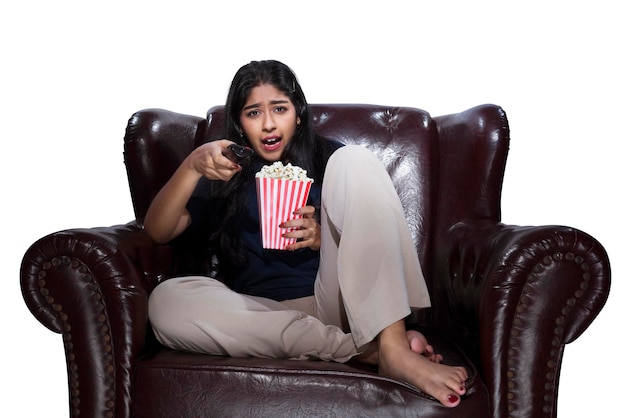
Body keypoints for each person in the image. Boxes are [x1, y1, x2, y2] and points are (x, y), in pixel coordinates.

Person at [145, 60, 468, 408]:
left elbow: (366, 240)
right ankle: (366, 351)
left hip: (332, 301)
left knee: (355, 160)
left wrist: (323, 240)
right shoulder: (225, 171)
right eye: (253, 113)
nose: (268, 123)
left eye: (279, 109)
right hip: (257, 313)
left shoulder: (328, 158)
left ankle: (391, 344)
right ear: (240, 123)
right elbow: (158, 230)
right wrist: (193, 166)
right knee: (165, 301)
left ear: (297, 114)